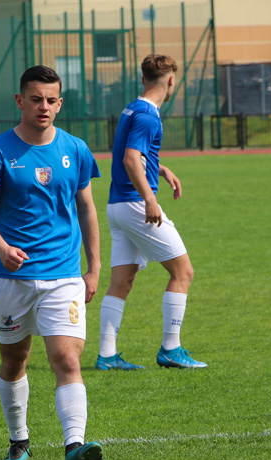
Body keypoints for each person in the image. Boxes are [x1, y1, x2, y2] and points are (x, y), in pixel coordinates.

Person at [0, 66, 103, 460]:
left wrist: (94, 266)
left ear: (59, 103)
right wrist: (1, 247)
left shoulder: (76, 149)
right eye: (35, 99)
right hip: (10, 277)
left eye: (51, 100)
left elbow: (86, 207)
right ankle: (18, 441)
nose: (43, 106)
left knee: (66, 358)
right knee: (15, 360)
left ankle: (74, 448)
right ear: (20, 101)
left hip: (63, 274)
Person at [96, 54, 206, 371]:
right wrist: (150, 199)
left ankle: (107, 355)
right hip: (134, 205)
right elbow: (131, 159)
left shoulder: (133, 107)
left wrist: (160, 170)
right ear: (171, 81)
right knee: (183, 272)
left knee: (121, 281)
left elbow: (132, 156)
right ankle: (171, 348)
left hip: (117, 207)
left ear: (143, 79)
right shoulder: (148, 115)